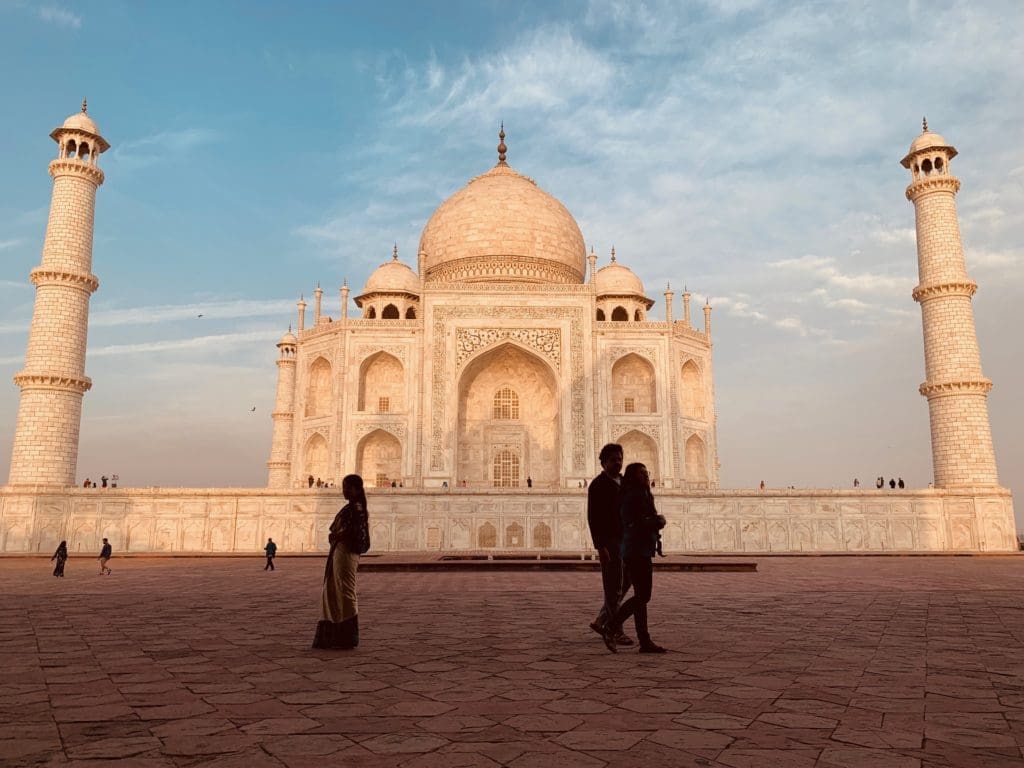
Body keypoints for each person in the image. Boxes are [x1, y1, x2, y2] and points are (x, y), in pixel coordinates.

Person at [603, 463, 667, 654]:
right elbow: (634, 523)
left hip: (639, 549)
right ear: (633, 476)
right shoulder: (632, 495)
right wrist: (658, 521)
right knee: (643, 595)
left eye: (647, 472)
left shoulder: (641, 493)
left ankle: (644, 641)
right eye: (642, 473)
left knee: (641, 597)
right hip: (635, 550)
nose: (646, 475)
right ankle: (611, 625)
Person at [313, 474, 371, 650]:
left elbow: (352, 532)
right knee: (334, 590)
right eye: (343, 487)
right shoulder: (352, 508)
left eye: (347, 487)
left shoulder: (357, 508)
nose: (344, 491)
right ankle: (337, 633)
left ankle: (347, 635)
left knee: (345, 591)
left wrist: (338, 535)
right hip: (340, 552)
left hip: (346, 553)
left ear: (356, 489)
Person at [587, 443, 633, 647]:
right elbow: (593, 518)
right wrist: (600, 546)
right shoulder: (598, 485)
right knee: (612, 586)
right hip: (610, 542)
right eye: (613, 459)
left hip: (627, 540)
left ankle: (602, 620)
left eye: (620, 459)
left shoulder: (625, 482)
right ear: (604, 462)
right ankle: (615, 630)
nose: (618, 463)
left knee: (627, 580)